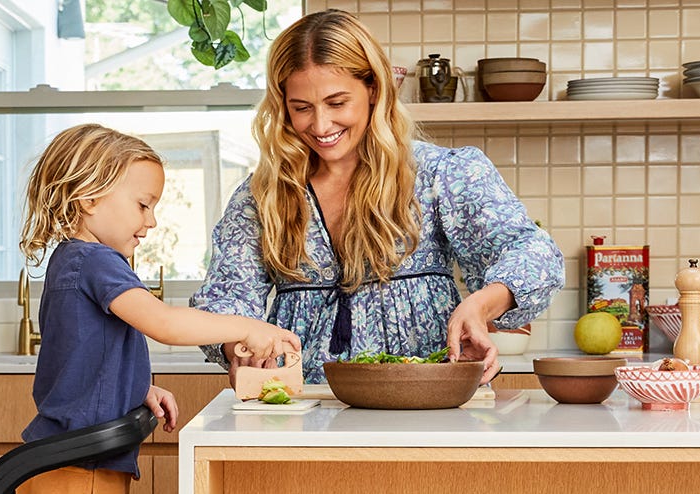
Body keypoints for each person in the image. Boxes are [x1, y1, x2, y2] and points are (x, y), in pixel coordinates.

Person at [191, 9, 564, 385]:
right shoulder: (262, 195)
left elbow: (535, 255)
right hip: (299, 410)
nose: (320, 125)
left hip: (426, 404)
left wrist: (480, 305)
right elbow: (225, 300)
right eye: (301, 108)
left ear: (373, 89)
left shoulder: (441, 174)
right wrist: (238, 348)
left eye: (337, 103)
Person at [16, 123, 300, 494]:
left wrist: (136, 387)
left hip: (73, 466)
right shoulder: (96, 261)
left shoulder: (77, 261)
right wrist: (248, 326)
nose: (149, 222)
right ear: (88, 196)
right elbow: (165, 324)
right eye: (143, 204)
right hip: (77, 471)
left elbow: (81, 354)